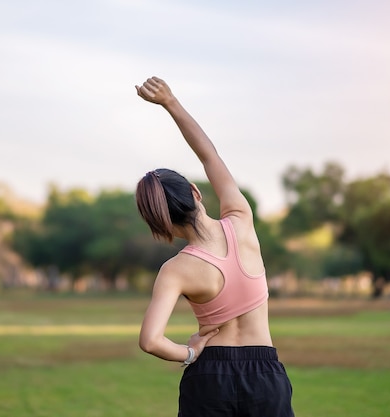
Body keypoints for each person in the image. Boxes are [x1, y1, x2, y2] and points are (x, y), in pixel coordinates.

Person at [134, 76, 295, 417]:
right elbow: (209, 155)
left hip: (208, 378)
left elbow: (150, 341)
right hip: (264, 374)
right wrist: (170, 102)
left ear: (162, 225)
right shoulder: (241, 220)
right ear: (194, 191)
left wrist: (189, 353)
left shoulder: (175, 270)